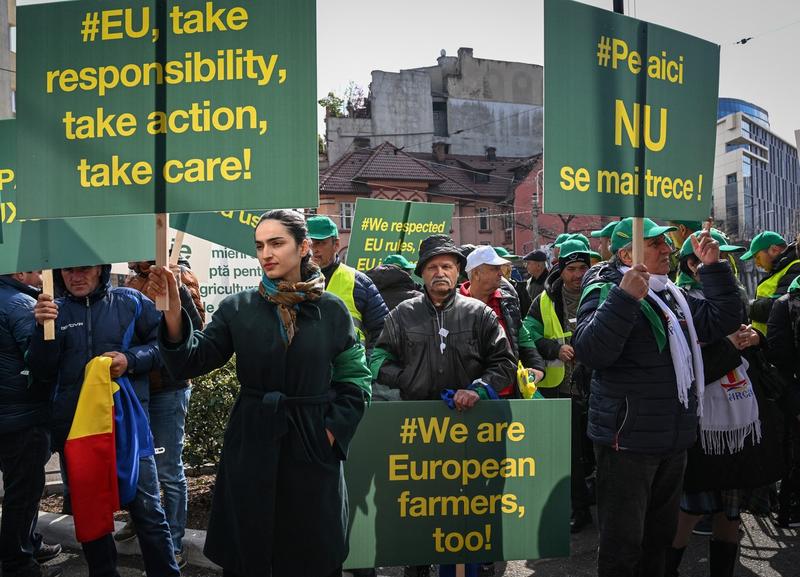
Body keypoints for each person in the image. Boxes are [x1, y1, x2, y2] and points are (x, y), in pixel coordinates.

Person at [149, 209, 371, 577]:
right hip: (251, 442)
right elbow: (192, 360)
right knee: (250, 551)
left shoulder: (332, 310)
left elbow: (355, 379)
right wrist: (174, 310)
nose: (266, 253)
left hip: (312, 445)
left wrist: (330, 434)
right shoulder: (239, 308)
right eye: (260, 245)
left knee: (311, 554)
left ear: (303, 247)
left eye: (277, 243)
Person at [573, 218, 742, 577]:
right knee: (623, 546)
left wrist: (713, 268)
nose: (667, 249)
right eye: (655, 244)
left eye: (665, 243)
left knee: (659, 541)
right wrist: (623, 297)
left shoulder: (670, 293)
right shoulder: (606, 289)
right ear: (626, 253)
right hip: (627, 442)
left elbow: (721, 321)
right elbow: (591, 351)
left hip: (672, 438)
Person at [371, 235, 516, 577]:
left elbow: (505, 362)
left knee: (471, 495)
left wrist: (479, 389)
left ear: (457, 272)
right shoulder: (402, 314)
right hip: (419, 426)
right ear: (422, 274)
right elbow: (376, 358)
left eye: (447, 266)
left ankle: (477, 556)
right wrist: (405, 378)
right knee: (421, 497)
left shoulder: (478, 313)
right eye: (433, 267)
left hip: (471, 423)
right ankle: (418, 560)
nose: (440, 272)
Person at [29, 265, 179, 577]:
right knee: (92, 520)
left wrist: (131, 360)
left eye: (84, 269)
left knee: (149, 514)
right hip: (77, 434)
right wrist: (41, 331)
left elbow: (165, 346)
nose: (76, 277)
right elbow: (42, 371)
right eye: (69, 271)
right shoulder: (53, 311)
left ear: (101, 269)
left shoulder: (131, 301)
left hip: (129, 431)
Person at [666, 230, 795, 577]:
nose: (728, 264)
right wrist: (729, 347)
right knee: (690, 509)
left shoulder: (729, 293)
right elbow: (688, 371)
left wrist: (756, 338)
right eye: (716, 257)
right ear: (693, 264)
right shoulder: (679, 302)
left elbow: (747, 348)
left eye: (727, 257)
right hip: (702, 427)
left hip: (741, 419)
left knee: (731, 512)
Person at [113, 260, 206, 568]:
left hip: (168, 387)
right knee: (138, 463)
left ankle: (175, 540)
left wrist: (175, 293)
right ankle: (139, 521)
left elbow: (195, 330)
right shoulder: (130, 280)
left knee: (168, 468)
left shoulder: (179, 275)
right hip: (136, 387)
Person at [520, 239, 595, 533]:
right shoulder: (545, 300)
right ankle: (579, 508)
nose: (578, 274)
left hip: (598, 386)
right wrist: (554, 348)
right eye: (572, 269)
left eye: (582, 268)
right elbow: (528, 334)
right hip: (563, 388)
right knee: (570, 452)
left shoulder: (601, 293)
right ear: (560, 270)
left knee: (595, 452)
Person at [0, 271, 62, 577]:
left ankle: (28, 543)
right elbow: (40, 362)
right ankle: (18, 564)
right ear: (19, 272)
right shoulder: (22, 304)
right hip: (23, 417)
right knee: (23, 493)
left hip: (9, 415)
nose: (42, 272)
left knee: (18, 489)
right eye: (36, 267)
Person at [459, 245, 545, 393]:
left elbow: (522, 338)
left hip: (507, 395)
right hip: (466, 395)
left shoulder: (507, 301)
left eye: (500, 269)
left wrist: (537, 367)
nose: (500, 274)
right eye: (494, 269)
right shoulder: (454, 304)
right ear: (476, 273)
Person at [307, 215, 389, 356]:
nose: (314, 249)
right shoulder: (291, 282)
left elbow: (383, 331)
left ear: (336, 244)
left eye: (320, 243)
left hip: (349, 373)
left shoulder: (359, 282)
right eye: (310, 243)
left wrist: (369, 367)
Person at [740, 231, 800, 336]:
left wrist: (746, 306)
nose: (757, 263)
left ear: (774, 250)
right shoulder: (779, 269)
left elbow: (777, 308)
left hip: (778, 346)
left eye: (758, 257)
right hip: (765, 344)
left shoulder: (795, 268)